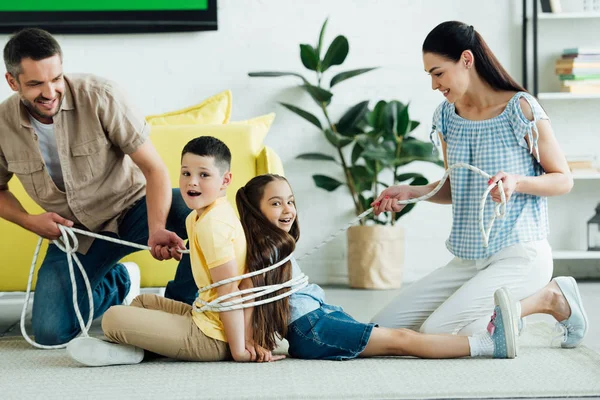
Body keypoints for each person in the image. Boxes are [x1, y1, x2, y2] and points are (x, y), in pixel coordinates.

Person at [369, 21, 587, 348]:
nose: (433, 84)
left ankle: (548, 298)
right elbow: (455, 188)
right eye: (429, 75)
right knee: (380, 328)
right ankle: (502, 318)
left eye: (438, 73)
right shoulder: (446, 116)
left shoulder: (520, 108)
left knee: (435, 333)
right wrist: (411, 193)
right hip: (470, 258)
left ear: (466, 60)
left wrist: (517, 182)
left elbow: (563, 179)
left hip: (520, 253)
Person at [0, 28, 197, 346]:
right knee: (51, 333)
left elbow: (154, 169)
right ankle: (119, 283)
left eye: (56, 78)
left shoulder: (101, 95)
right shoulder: (2, 124)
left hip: (135, 210)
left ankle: (178, 308)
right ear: (13, 82)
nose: (50, 92)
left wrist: (158, 227)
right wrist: (29, 221)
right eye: (36, 84)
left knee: (197, 213)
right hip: (76, 234)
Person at [234, 173, 521, 360]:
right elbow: (245, 291)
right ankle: (486, 345)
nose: (288, 210)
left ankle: (486, 342)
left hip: (319, 319)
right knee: (403, 339)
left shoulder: (275, 245)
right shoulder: (263, 252)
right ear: (255, 211)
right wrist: (246, 344)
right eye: (276, 203)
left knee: (397, 336)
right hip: (313, 329)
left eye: (290, 201)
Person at [66, 136, 282, 366]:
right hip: (204, 315)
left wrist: (239, 348)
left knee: (112, 318)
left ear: (225, 180)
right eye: (186, 173)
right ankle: (133, 352)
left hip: (215, 336)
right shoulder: (200, 216)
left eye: (204, 175)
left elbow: (230, 289)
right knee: (142, 302)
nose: (192, 183)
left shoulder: (214, 226)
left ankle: (132, 350)